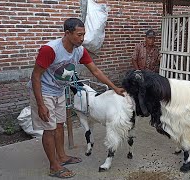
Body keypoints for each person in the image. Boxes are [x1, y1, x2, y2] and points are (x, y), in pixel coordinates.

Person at [28, 18, 125, 178]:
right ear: (67, 33)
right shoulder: (50, 50)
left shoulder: (80, 50)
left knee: (59, 125)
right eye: (79, 35)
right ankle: (54, 167)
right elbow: (36, 76)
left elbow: (95, 71)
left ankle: (62, 157)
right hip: (44, 91)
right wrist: (40, 104)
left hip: (59, 90)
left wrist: (114, 88)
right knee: (49, 129)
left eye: (84, 34)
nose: (82, 38)